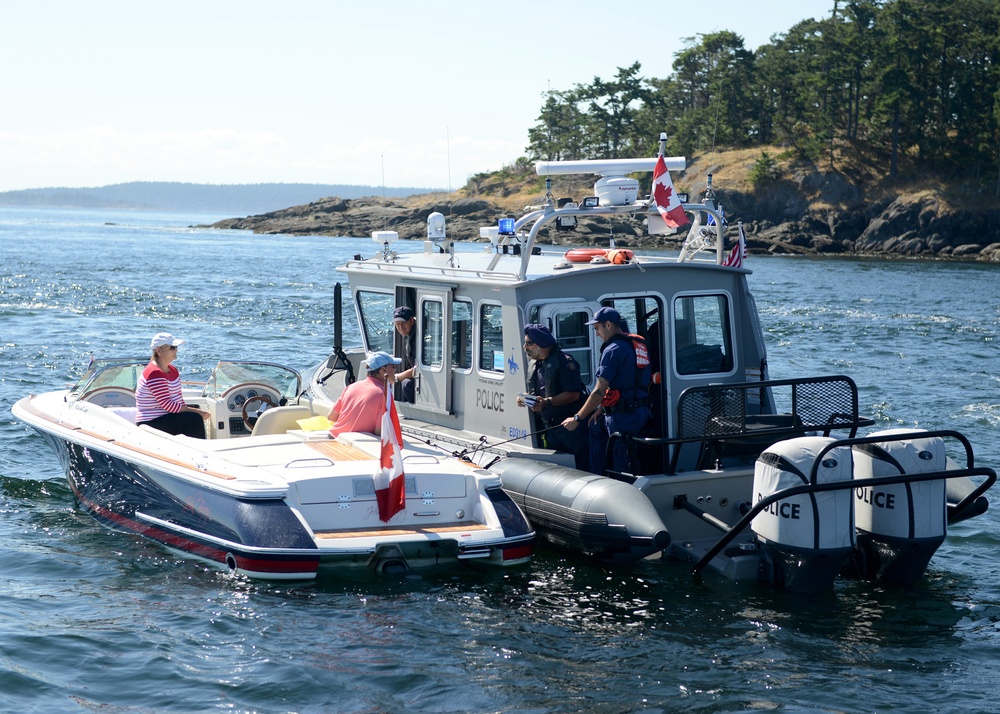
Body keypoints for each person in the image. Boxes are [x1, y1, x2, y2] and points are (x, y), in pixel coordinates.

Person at [561, 307, 651, 474]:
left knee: (622, 464)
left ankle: (620, 490)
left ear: (608, 325)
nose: (596, 334)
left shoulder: (612, 350)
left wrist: (577, 418)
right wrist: (601, 409)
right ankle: (597, 476)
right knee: (596, 428)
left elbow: (598, 391)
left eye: (597, 329)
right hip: (640, 410)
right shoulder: (637, 345)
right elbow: (627, 381)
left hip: (624, 416)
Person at [516, 324, 590, 471]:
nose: (525, 347)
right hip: (550, 428)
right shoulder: (537, 364)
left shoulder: (565, 362)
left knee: (580, 465)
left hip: (570, 429)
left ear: (542, 344)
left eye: (529, 343)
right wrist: (526, 399)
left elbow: (574, 394)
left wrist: (547, 402)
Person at [135, 332, 210, 438]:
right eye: (172, 347)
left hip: (166, 417)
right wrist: (196, 412)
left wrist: (191, 410)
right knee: (194, 418)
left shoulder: (173, 370)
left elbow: (178, 398)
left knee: (193, 416)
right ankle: (200, 450)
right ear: (159, 351)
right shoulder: (154, 372)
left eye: (176, 347)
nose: (176, 350)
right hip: (151, 421)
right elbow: (167, 405)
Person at [328, 351, 401, 436]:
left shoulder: (351, 387)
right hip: (354, 446)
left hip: (332, 437)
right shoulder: (384, 395)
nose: (395, 370)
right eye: (393, 366)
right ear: (383, 370)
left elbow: (331, 417)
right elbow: (380, 431)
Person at [392, 305, 417, 402]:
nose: (400, 327)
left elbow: (419, 370)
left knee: (406, 384)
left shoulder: (418, 338)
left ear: (411, 321)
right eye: (397, 324)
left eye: (403, 323)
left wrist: (398, 377)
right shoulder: (408, 335)